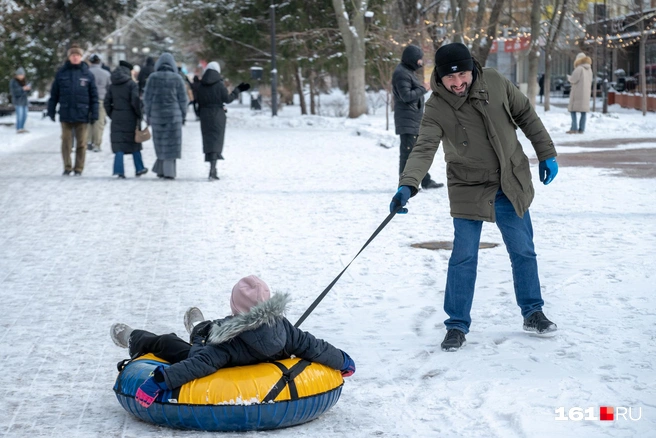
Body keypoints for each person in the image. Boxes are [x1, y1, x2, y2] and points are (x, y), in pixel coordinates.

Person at [389, 43, 559, 352]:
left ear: (473, 70)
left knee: (523, 250)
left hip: (509, 179)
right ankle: (456, 325)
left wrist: (546, 153)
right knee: (463, 256)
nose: (457, 83)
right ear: (439, 77)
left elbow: (525, 113)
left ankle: (533, 311)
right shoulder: (437, 105)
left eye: (463, 75)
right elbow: (425, 146)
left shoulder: (495, 81)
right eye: (450, 79)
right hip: (468, 184)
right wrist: (408, 184)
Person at [110, 275, 356, 408]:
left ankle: (135, 337)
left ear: (236, 307)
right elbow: (314, 346)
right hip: (233, 332)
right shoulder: (285, 328)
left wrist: (160, 381)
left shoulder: (227, 342)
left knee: (168, 343)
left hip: (209, 344)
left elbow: (199, 363)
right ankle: (199, 325)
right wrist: (342, 360)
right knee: (213, 327)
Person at [392, 45, 443, 190]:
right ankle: (405, 184)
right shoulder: (402, 73)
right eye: (419, 59)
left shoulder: (408, 71)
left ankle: (425, 181)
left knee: (417, 152)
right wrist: (423, 89)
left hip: (413, 119)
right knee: (408, 153)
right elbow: (406, 96)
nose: (420, 63)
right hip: (407, 120)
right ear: (412, 59)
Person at [48, 43, 99, 176]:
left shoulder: (87, 74)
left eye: (78, 55)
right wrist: (51, 110)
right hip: (66, 113)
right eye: (73, 55)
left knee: (82, 143)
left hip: (82, 114)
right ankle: (67, 166)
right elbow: (54, 94)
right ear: (69, 57)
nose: (75, 57)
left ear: (81, 57)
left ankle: (79, 168)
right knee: (66, 142)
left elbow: (94, 96)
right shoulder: (61, 73)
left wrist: (95, 113)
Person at [196, 61, 250, 180]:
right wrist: (237, 90)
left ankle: (211, 165)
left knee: (208, 140)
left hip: (205, 115)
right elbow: (227, 99)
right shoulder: (219, 85)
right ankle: (213, 169)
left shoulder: (201, 84)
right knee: (216, 140)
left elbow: (198, 100)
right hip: (218, 115)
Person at [143, 53, 188, 179]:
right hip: (174, 115)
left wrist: (148, 113)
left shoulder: (153, 78)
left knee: (160, 142)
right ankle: (169, 171)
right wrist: (183, 114)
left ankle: (162, 170)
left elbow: (147, 98)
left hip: (157, 115)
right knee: (172, 144)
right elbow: (183, 99)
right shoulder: (177, 78)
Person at [104, 60, 148, 178]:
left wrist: (112, 114)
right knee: (134, 143)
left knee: (119, 145)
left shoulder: (113, 85)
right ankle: (139, 168)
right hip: (131, 118)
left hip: (117, 118)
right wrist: (139, 114)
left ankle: (118, 170)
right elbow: (135, 101)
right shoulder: (131, 84)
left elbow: (107, 102)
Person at [87, 54, 111, 152]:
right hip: (101, 100)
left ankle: (88, 141)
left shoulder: (86, 73)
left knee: (88, 122)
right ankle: (97, 144)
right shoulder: (106, 74)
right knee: (99, 123)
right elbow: (109, 88)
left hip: (87, 101)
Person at [567, 52, 592, 134]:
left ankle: (573, 128)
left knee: (572, 110)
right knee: (583, 112)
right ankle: (582, 129)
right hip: (586, 94)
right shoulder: (589, 69)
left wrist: (569, 78)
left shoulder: (579, 68)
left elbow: (574, 79)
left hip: (577, 93)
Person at [9, 67, 30, 133]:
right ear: (17, 75)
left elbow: (27, 92)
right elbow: (14, 92)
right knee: (20, 115)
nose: (22, 76)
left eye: (23, 75)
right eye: (21, 75)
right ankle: (19, 128)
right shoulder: (13, 82)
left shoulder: (25, 82)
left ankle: (22, 127)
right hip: (18, 101)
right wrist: (22, 89)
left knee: (25, 115)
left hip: (24, 101)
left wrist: (28, 89)